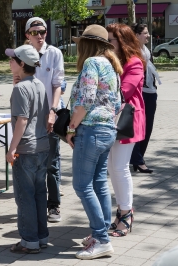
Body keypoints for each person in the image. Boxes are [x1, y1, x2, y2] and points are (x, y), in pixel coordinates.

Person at [66, 25, 123, 259]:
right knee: (98, 182)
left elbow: (86, 100)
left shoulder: (92, 63)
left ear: (86, 44)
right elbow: (118, 104)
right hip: (107, 130)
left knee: (81, 185)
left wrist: (71, 128)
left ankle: (101, 238)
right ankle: (100, 233)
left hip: (91, 130)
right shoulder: (112, 66)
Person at [5, 45, 49, 254]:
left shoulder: (20, 88)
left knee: (25, 197)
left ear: (22, 64)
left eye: (13, 59)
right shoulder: (38, 84)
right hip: (42, 146)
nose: (10, 62)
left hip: (26, 148)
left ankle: (28, 241)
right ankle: (41, 237)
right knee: (39, 194)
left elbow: (21, 120)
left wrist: (11, 148)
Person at [106, 23, 146, 237]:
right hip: (112, 119)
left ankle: (126, 214)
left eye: (110, 40)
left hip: (126, 121)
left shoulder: (134, 62)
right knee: (113, 168)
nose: (107, 44)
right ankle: (122, 211)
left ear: (121, 42)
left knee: (120, 168)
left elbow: (124, 91)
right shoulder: (112, 61)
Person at [24, 17, 64, 222]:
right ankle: (34, 203)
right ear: (27, 35)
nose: (39, 36)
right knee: (30, 161)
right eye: (35, 32)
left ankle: (54, 205)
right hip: (28, 117)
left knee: (51, 162)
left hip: (49, 114)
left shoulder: (54, 53)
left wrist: (53, 111)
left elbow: (57, 85)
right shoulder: (22, 54)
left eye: (43, 32)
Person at [130, 23, 161, 173]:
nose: (148, 35)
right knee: (138, 126)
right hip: (139, 92)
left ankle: (139, 157)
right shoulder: (132, 51)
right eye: (145, 33)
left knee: (147, 127)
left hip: (150, 91)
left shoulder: (145, 50)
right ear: (136, 35)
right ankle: (137, 160)